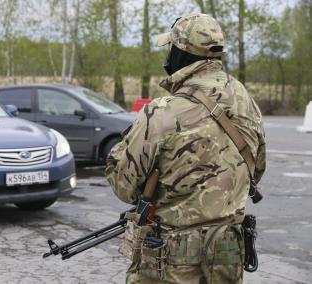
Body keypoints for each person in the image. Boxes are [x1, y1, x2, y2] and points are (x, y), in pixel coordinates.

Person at [105, 13, 266, 284]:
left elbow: (124, 186)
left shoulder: (161, 111)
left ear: (181, 52)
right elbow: (257, 170)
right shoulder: (245, 100)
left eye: (171, 48)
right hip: (227, 256)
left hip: (168, 262)